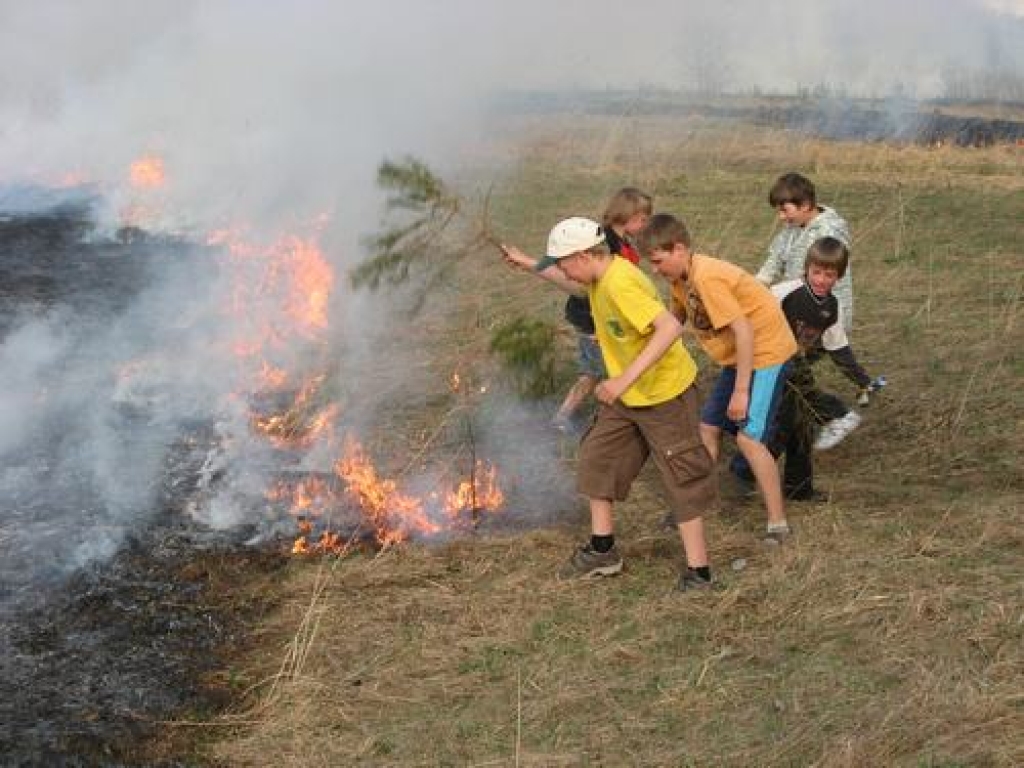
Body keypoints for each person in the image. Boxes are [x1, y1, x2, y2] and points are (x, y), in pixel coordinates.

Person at [501, 217, 718, 590]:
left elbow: (669, 327)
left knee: (681, 477)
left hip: (663, 394)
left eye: (563, 262)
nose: (562, 270)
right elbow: (575, 286)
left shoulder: (620, 284)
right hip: (628, 396)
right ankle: (603, 551)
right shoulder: (599, 276)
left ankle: (700, 573)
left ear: (584, 255)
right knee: (597, 459)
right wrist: (532, 265)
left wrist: (621, 381)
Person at [638, 213, 798, 545]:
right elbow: (675, 321)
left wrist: (741, 393)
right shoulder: (680, 280)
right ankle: (696, 505)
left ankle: (778, 525)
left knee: (748, 439)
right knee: (708, 428)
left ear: (679, 248)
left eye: (657, 261)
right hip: (738, 357)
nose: (654, 269)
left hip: (765, 354)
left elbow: (744, 330)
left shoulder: (707, 278)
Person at [504, 188, 652, 431]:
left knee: (596, 371)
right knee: (603, 371)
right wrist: (528, 262)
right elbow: (575, 284)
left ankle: (576, 416)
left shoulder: (622, 243)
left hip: (608, 320)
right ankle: (608, 419)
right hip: (593, 320)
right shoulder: (604, 244)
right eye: (644, 220)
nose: (646, 226)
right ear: (630, 217)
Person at [769, 237, 878, 499]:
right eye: (816, 272)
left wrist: (863, 381)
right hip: (768, 367)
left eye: (829, 275)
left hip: (796, 368)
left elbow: (838, 348)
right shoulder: (784, 292)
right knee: (779, 427)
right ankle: (743, 474)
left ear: (838, 277)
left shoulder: (831, 308)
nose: (820, 280)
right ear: (806, 269)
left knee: (801, 424)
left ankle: (799, 488)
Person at [755, 172, 853, 333]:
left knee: (783, 352)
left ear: (805, 205)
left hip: (824, 315)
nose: (781, 217)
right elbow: (774, 261)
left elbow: (820, 280)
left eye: (785, 210)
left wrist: (776, 294)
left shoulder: (829, 232)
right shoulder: (791, 229)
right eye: (778, 211)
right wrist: (756, 284)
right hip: (798, 307)